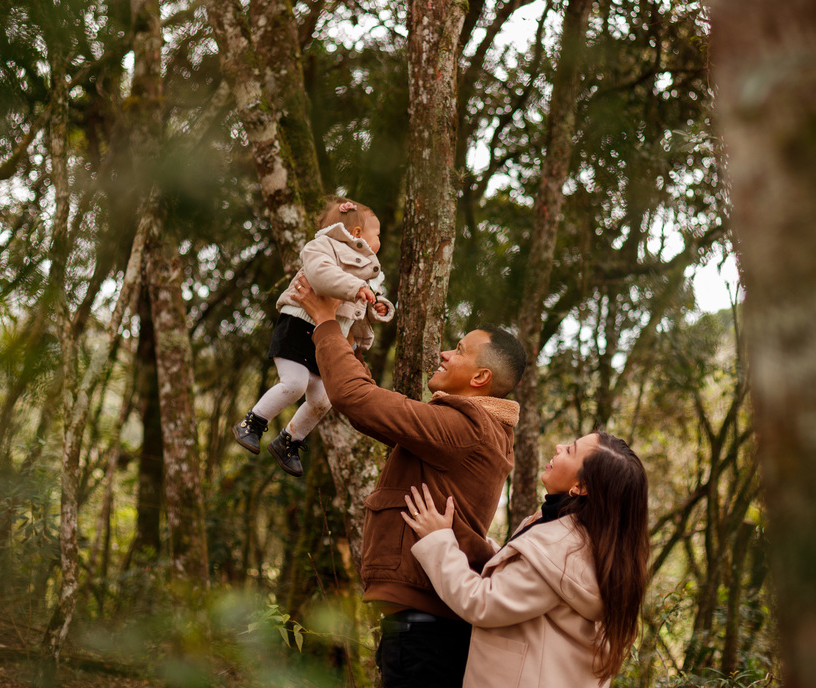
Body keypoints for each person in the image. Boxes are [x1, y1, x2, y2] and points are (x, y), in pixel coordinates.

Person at [289, 275, 528, 688]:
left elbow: (357, 399)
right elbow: (368, 400)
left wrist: (326, 321)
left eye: (459, 350)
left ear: (479, 378)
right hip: (426, 628)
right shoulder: (471, 429)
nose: (444, 353)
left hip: (426, 635)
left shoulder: (466, 428)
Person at [401, 432, 651, 688]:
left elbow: (480, 602)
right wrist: (471, 544)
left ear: (581, 487)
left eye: (570, 451)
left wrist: (438, 540)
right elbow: (518, 578)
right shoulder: (583, 540)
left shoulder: (560, 548)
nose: (558, 445)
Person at [234, 197, 395, 477]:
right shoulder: (321, 246)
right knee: (294, 384)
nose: (379, 240)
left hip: (327, 337)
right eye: (377, 233)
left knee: (323, 399)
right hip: (298, 327)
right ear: (357, 234)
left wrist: (378, 308)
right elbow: (321, 277)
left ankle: (289, 441)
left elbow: (360, 308)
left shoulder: (370, 273)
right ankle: (253, 422)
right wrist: (357, 287)